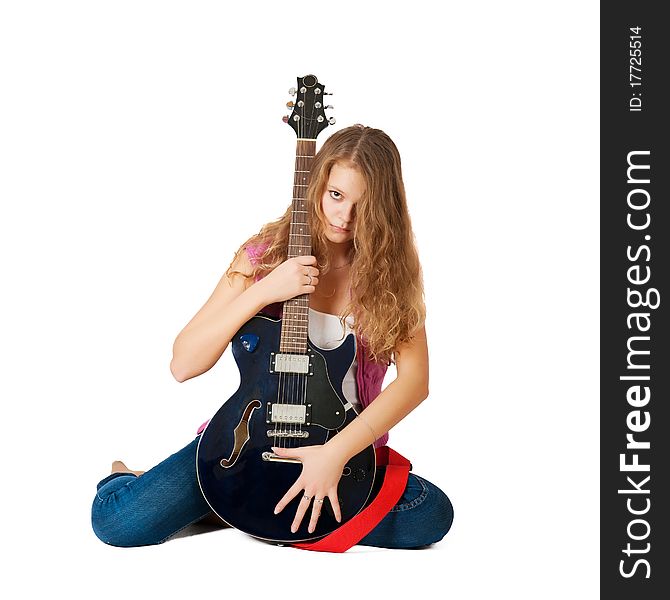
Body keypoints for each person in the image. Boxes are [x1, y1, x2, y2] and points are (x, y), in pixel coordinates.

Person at [91, 124, 454, 549]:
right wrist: (267, 288)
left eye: (363, 203)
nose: (344, 216)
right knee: (117, 521)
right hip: (242, 445)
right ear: (317, 183)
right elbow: (183, 364)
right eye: (336, 195)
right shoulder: (265, 254)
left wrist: (333, 456)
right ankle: (167, 484)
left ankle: (240, 509)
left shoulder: (392, 276)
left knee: (428, 514)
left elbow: (415, 383)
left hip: (344, 448)